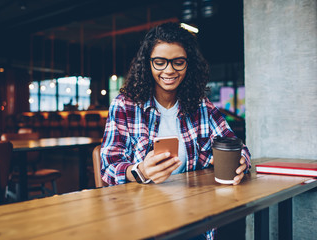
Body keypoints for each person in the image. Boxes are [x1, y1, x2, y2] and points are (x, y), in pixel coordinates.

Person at [100, 22, 251, 239]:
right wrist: (140, 171)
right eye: (160, 62)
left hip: (193, 215)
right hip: (140, 218)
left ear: (188, 65)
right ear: (148, 64)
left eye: (178, 62)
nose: (169, 70)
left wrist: (240, 161)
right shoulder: (126, 105)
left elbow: (232, 142)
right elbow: (108, 166)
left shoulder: (200, 105)